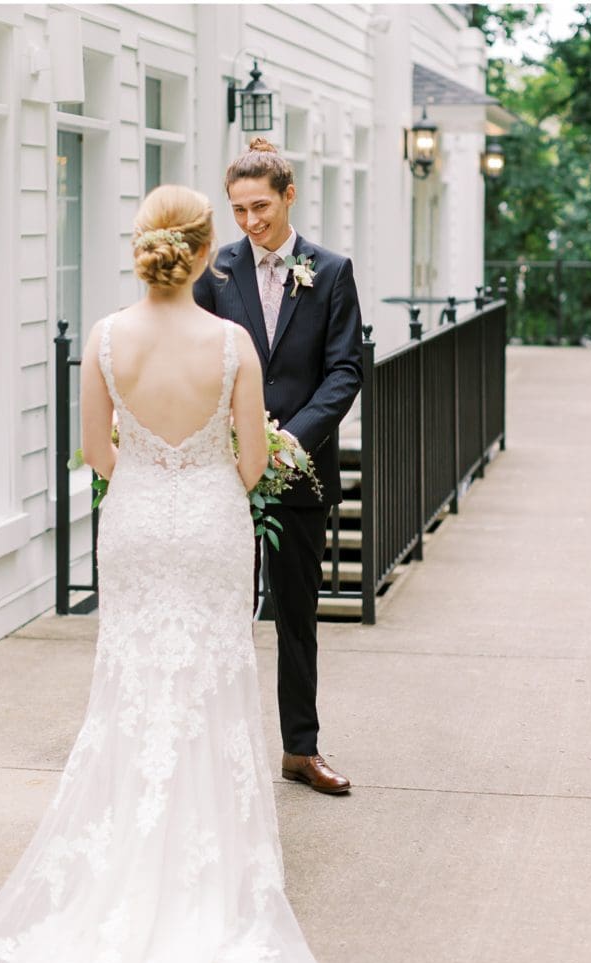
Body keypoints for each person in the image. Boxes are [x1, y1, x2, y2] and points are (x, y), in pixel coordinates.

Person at [0, 185, 350, 963]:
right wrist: (200, 487)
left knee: (133, 684)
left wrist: (152, 484)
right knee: (211, 680)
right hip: (210, 524)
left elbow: (96, 452)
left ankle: (127, 849)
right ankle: (209, 859)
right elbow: (252, 463)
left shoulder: (105, 338)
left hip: (136, 525)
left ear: (143, 247)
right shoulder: (232, 342)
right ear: (206, 254)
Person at [194, 138, 364, 796]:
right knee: (222, 613)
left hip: (300, 474)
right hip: (224, 473)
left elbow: (344, 371)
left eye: (260, 206)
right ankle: (218, 753)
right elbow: (197, 358)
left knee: (296, 616)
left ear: (289, 196)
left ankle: (301, 750)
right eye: (238, 210)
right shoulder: (216, 272)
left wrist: (289, 441)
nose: (250, 222)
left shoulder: (332, 271)